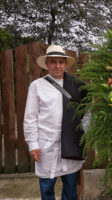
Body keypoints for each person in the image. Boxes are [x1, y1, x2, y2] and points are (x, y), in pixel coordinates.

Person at [24, 45, 87, 200]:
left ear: (65, 64)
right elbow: (30, 117)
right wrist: (33, 144)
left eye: (61, 62)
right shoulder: (37, 86)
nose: (58, 66)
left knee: (71, 191)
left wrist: (83, 135)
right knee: (46, 189)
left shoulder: (77, 85)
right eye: (53, 62)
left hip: (71, 144)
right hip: (46, 147)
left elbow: (87, 113)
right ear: (46, 64)